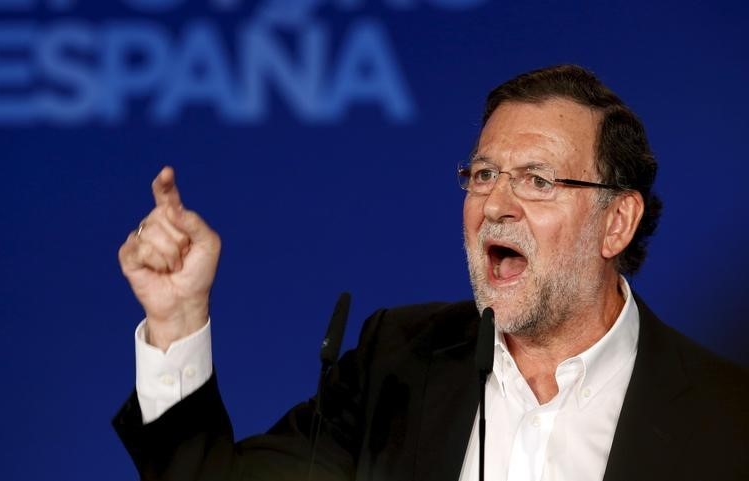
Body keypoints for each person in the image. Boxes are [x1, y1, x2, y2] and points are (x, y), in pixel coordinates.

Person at [113, 65, 749, 481]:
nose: (496, 204)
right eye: (483, 174)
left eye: (537, 179)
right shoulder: (398, 361)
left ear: (617, 223)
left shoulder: (727, 417)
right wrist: (177, 319)